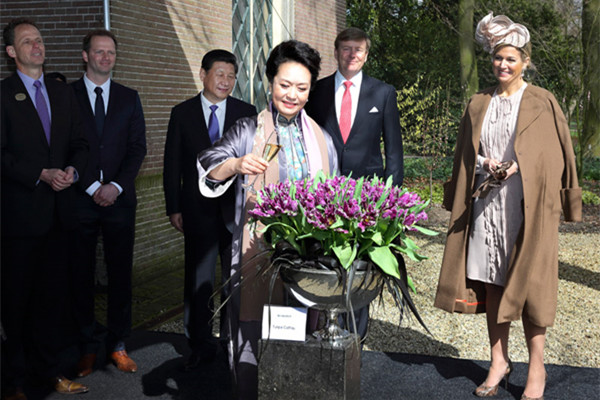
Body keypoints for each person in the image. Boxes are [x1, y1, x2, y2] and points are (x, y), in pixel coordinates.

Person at [434, 13, 582, 400]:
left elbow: (558, 155)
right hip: (487, 204)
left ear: (526, 62)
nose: (503, 64)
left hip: (527, 206)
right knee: (491, 280)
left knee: (533, 285)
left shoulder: (542, 101)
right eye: (498, 58)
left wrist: (521, 165)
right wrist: (486, 163)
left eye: (511, 58)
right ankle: (498, 360)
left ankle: (537, 367)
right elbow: (465, 153)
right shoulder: (479, 102)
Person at [197, 40, 338, 399]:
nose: (292, 95)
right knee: (253, 330)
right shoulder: (248, 130)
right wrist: (237, 164)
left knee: (305, 330)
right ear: (270, 83)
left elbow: (334, 197)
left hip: (307, 256)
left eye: (301, 88)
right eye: (284, 85)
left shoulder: (321, 139)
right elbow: (208, 163)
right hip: (256, 251)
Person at [1, 18, 89, 398]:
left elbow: (81, 143)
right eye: (27, 41)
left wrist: (72, 169)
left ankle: (49, 375)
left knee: (52, 302)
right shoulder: (2, 95)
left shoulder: (62, 93)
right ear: (11, 52)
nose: (37, 46)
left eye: (39, 40)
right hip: (20, 219)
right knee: (16, 304)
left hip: (60, 216)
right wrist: (39, 172)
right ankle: (13, 383)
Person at [304, 27, 404, 339]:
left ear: (366, 54)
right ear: (336, 52)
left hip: (367, 199)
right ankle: (323, 331)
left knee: (361, 267)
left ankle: (355, 340)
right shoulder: (316, 92)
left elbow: (394, 151)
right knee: (324, 264)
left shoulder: (383, 93)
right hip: (324, 196)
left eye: (358, 49)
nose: (352, 55)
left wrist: (390, 200)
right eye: (346, 49)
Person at [163, 49, 257, 371]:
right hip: (197, 211)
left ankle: (233, 341)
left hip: (236, 212)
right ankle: (200, 342)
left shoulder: (248, 112)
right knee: (199, 280)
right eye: (220, 74)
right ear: (203, 74)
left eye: (231, 76)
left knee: (236, 280)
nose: (226, 81)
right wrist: (173, 207)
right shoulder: (182, 113)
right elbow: (172, 162)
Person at [69, 29, 147, 377]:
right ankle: (86, 346)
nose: (105, 57)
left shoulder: (130, 98)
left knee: (120, 276)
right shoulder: (65, 96)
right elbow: (63, 146)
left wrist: (114, 186)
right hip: (78, 199)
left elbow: (137, 149)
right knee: (79, 275)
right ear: (85, 55)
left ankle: (117, 344)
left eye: (110, 52)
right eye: (98, 52)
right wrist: (89, 187)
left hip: (119, 200)